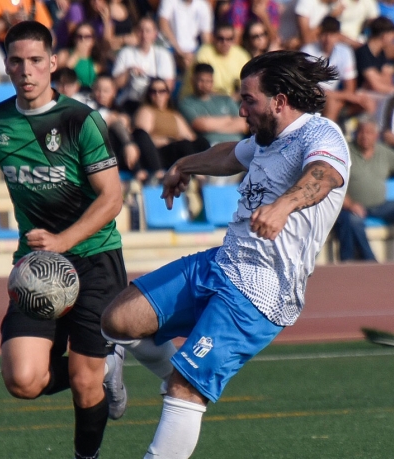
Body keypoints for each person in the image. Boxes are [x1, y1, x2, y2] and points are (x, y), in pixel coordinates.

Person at [101, 50, 350, 458]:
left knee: (185, 390)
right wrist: (184, 164)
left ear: (279, 101)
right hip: (222, 264)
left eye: (249, 99)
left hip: (262, 292)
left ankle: (188, 381)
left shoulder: (320, 136)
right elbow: (232, 153)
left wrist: (283, 206)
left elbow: (325, 175)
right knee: (117, 320)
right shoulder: (267, 139)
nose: (241, 108)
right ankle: (186, 371)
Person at [0, 21, 128, 459]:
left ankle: (86, 452)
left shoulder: (81, 119)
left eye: (36, 61)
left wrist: (62, 240)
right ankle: (102, 365)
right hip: (37, 267)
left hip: (94, 259)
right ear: (5, 65)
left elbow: (112, 198)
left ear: (53, 63)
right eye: (17, 61)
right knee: (23, 381)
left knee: (83, 382)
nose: (27, 70)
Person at [334, 115, 394, 261]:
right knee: (352, 220)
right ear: (356, 133)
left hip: (382, 205)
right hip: (352, 208)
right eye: (361, 132)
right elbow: (333, 182)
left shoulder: (384, 152)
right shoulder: (345, 152)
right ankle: (370, 262)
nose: (364, 136)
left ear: (376, 135)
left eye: (369, 132)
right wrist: (350, 204)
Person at [301, 16, 375, 122]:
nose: (327, 39)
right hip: (311, 98)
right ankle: (329, 135)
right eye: (325, 34)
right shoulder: (308, 51)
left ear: (338, 36)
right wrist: (337, 96)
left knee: (368, 103)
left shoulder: (345, 52)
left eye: (332, 34)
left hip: (333, 96)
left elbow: (350, 88)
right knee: (332, 103)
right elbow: (308, 87)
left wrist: (340, 96)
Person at [133, 77, 210, 169]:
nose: (157, 95)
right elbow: (142, 138)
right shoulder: (146, 111)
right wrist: (167, 141)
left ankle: (209, 171)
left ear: (168, 94)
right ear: (149, 94)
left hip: (176, 147)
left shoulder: (174, 114)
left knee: (201, 142)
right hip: (160, 152)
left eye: (162, 91)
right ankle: (194, 174)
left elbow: (190, 137)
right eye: (153, 91)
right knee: (183, 145)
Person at [112, 15, 176, 117]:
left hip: (153, 102)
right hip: (129, 102)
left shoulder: (163, 55)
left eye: (148, 31)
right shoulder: (126, 53)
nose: (144, 34)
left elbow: (168, 85)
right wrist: (129, 71)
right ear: (136, 33)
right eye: (141, 30)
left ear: (155, 34)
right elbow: (115, 84)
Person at [179, 63, 248, 147]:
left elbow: (243, 124)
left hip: (237, 145)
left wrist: (212, 126)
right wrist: (229, 119)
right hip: (210, 147)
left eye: (209, 81)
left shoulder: (226, 99)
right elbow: (201, 125)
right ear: (192, 80)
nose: (205, 84)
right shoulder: (186, 103)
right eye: (201, 80)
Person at [179, 22, 251, 101]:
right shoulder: (204, 54)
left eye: (229, 39)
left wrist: (236, 96)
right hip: (197, 100)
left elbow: (248, 85)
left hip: (227, 101)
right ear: (213, 38)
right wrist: (228, 99)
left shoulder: (241, 55)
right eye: (220, 38)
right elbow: (202, 88)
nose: (225, 42)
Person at [157, 0, 213, 71]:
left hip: (192, 50)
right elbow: (163, 25)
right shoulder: (169, 1)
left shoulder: (203, 6)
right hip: (170, 47)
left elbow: (206, 38)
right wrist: (180, 51)